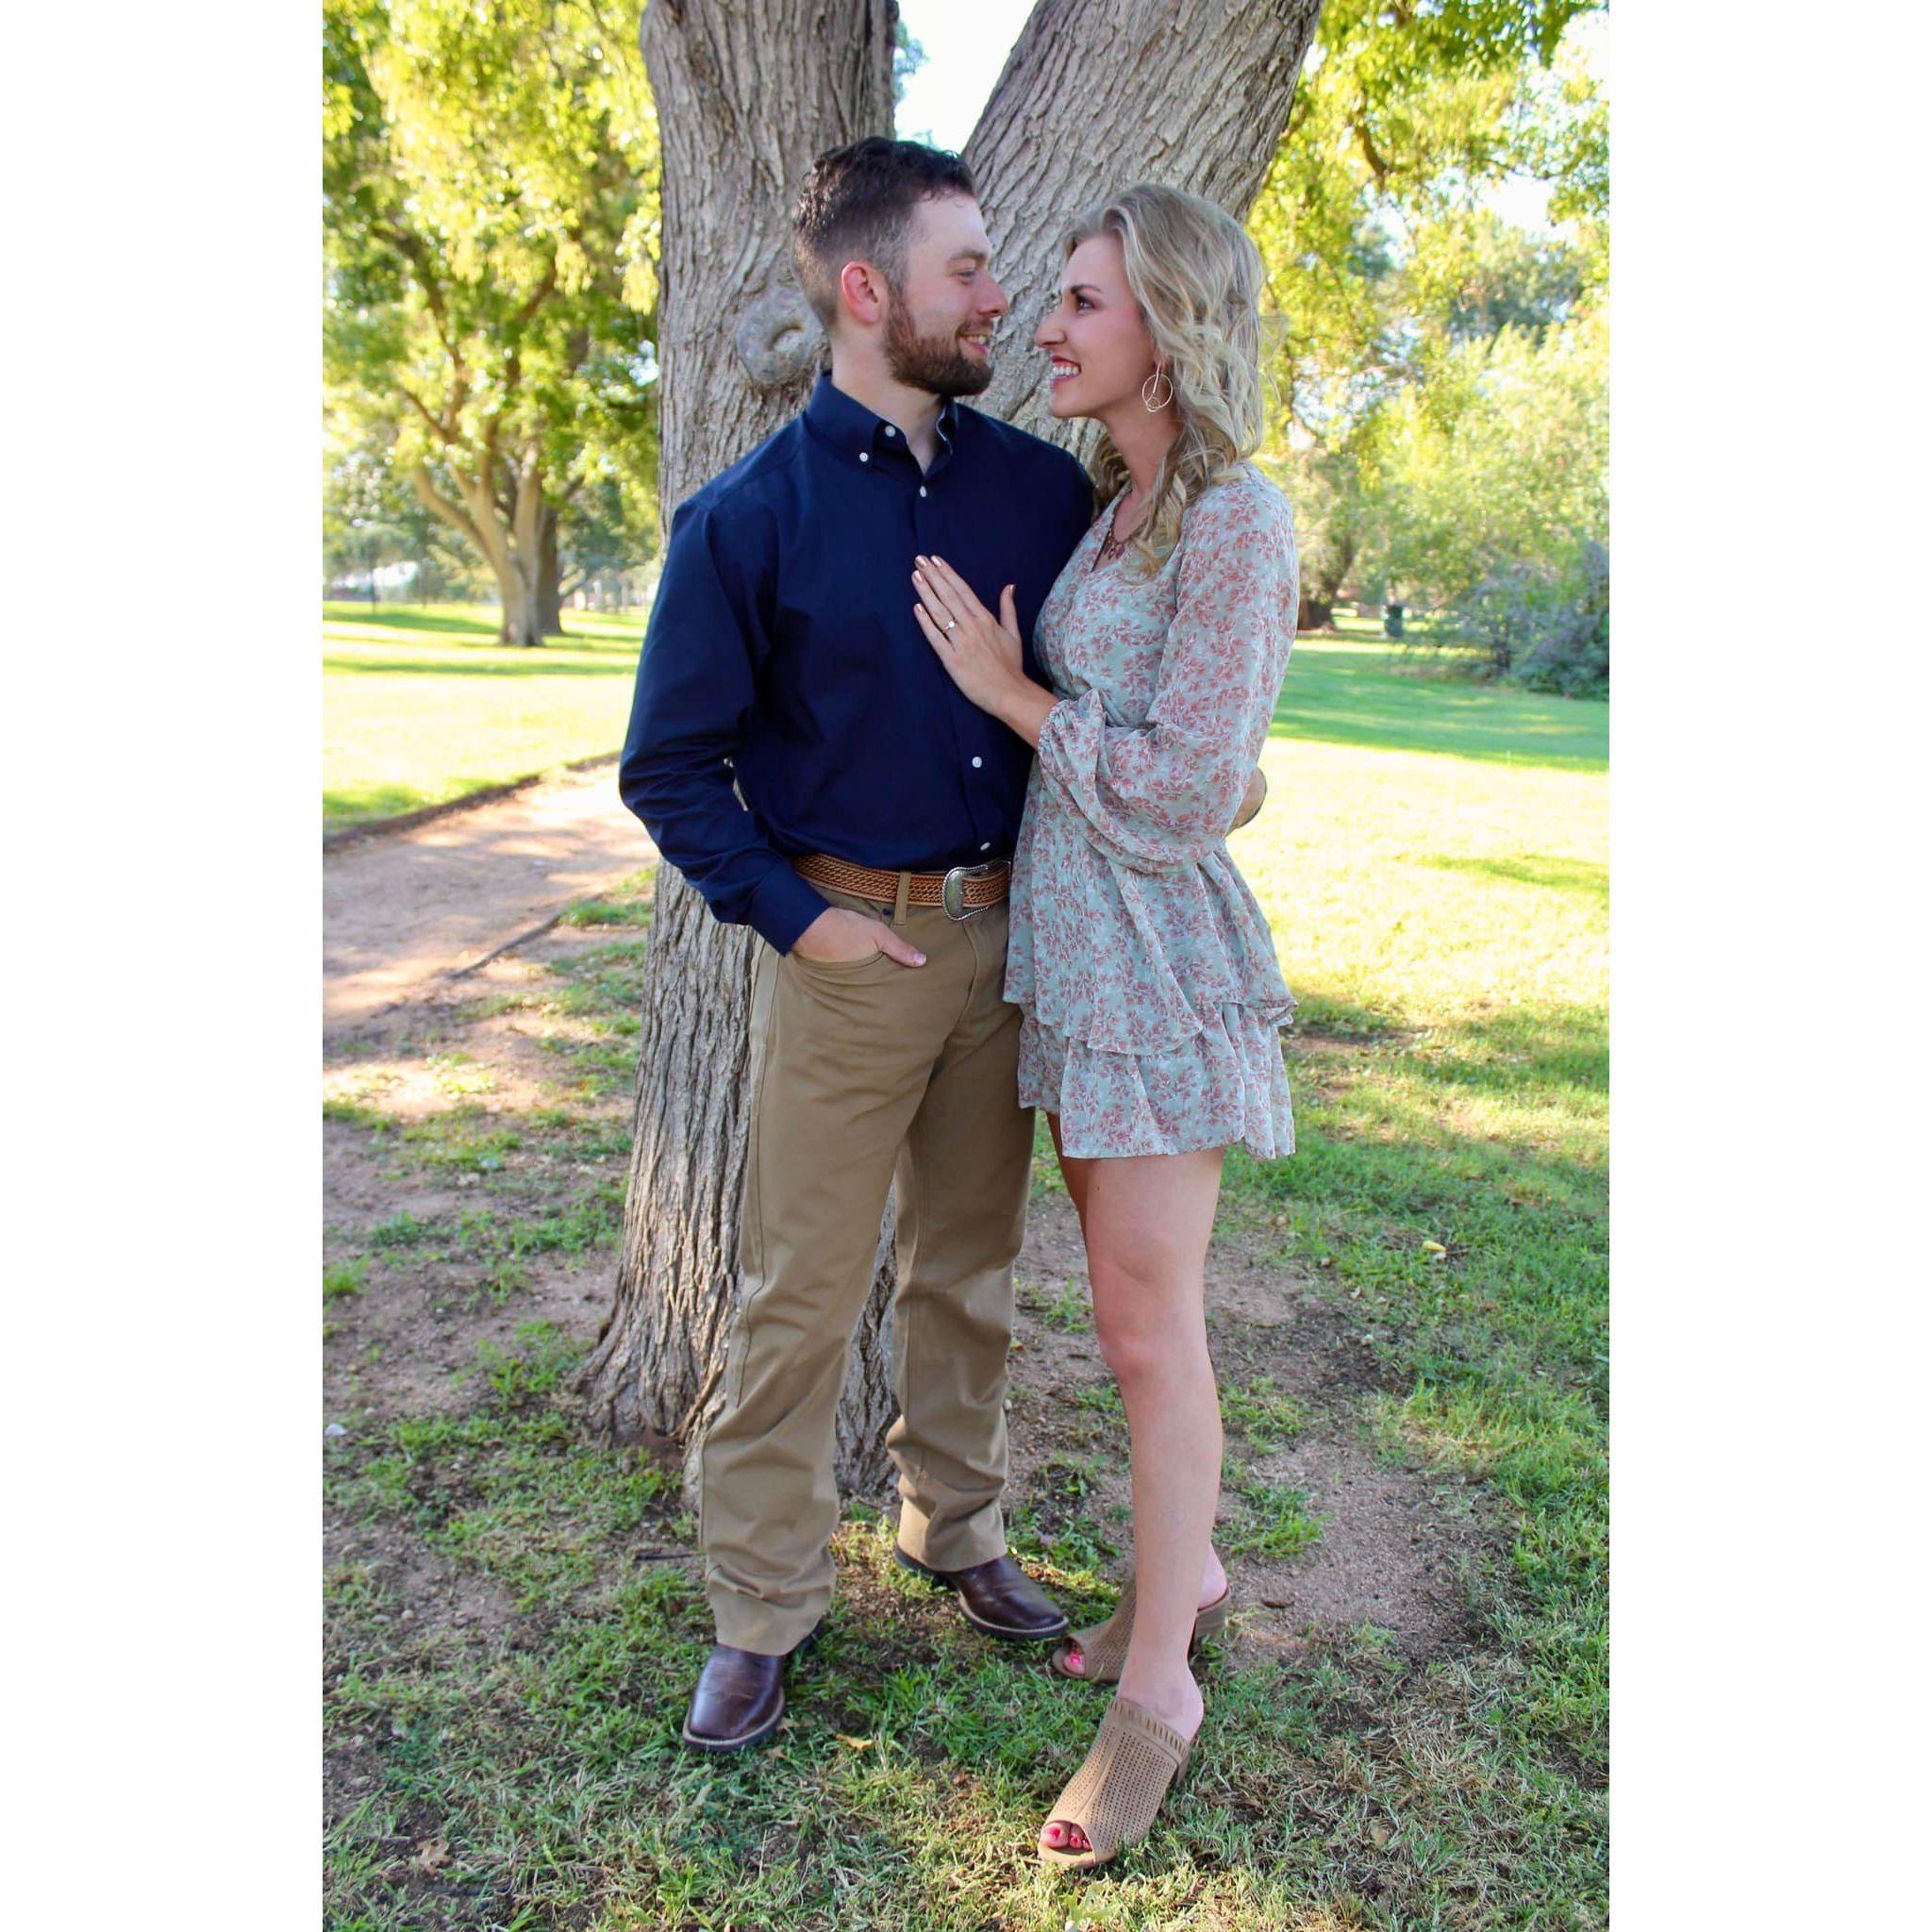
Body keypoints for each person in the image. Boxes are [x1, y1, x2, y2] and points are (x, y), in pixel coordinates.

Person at [619, 137, 1099, 1755]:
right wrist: (798, 917)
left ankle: (952, 1527)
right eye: (967, 268)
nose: (997, 293)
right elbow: (668, 765)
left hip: (1005, 949)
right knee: (798, 1293)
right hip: (844, 961)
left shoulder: (1041, 491)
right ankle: (759, 1608)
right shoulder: (743, 520)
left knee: (969, 1271)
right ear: (868, 290)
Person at [908, 183, 1300, 1869]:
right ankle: (1186, 1575)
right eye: (1051, 298)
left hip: (1155, 981)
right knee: (1130, 1314)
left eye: (1079, 303)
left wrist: (1016, 700)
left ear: (1169, 328)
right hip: (1078, 966)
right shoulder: (1116, 502)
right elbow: (1209, 762)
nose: (1044, 331)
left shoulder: (1236, 518)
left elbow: (1194, 785)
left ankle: (1160, 1684)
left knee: (1149, 1334)